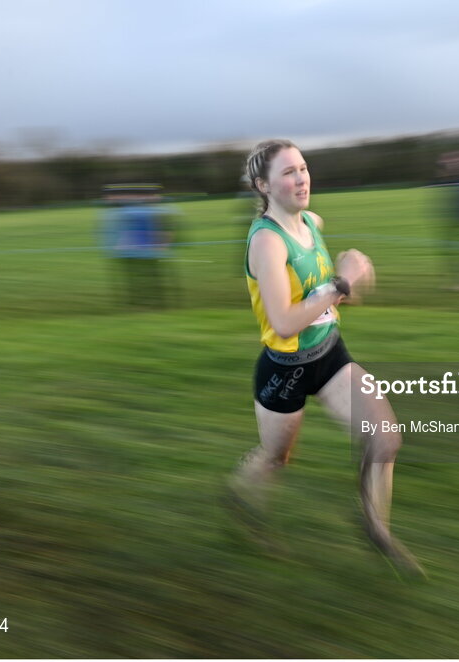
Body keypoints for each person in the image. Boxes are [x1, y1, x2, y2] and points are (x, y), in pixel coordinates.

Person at [224, 139, 424, 578]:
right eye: (288, 172)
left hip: (330, 354)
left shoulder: (311, 222)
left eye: (303, 168)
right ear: (263, 185)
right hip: (284, 370)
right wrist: (344, 281)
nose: (301, 178)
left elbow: (320, 298)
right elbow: (283, 322)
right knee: (277, 459)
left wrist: (346, 285)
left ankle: (376, 529)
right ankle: (241, 494)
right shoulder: (266, 243)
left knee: (385, 437)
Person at [99, 183, 180, 308]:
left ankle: (145, 300)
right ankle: (150, 300)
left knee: (145, 276)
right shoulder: (133, 210)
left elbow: (164, 229)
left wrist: (162, 245)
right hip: (136, 249)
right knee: (144, 276)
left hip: (140, 249)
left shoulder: (130, 211)